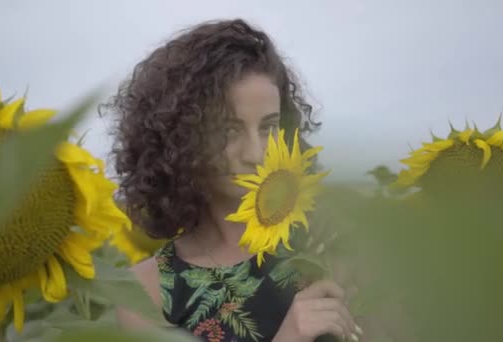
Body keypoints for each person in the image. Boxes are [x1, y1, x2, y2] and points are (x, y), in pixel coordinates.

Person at [106, 19, 359, 342]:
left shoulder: (325, 240)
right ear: (180, 139)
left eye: (268, 127)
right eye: (229, 130)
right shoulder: (145, 293)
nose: (256, 152)